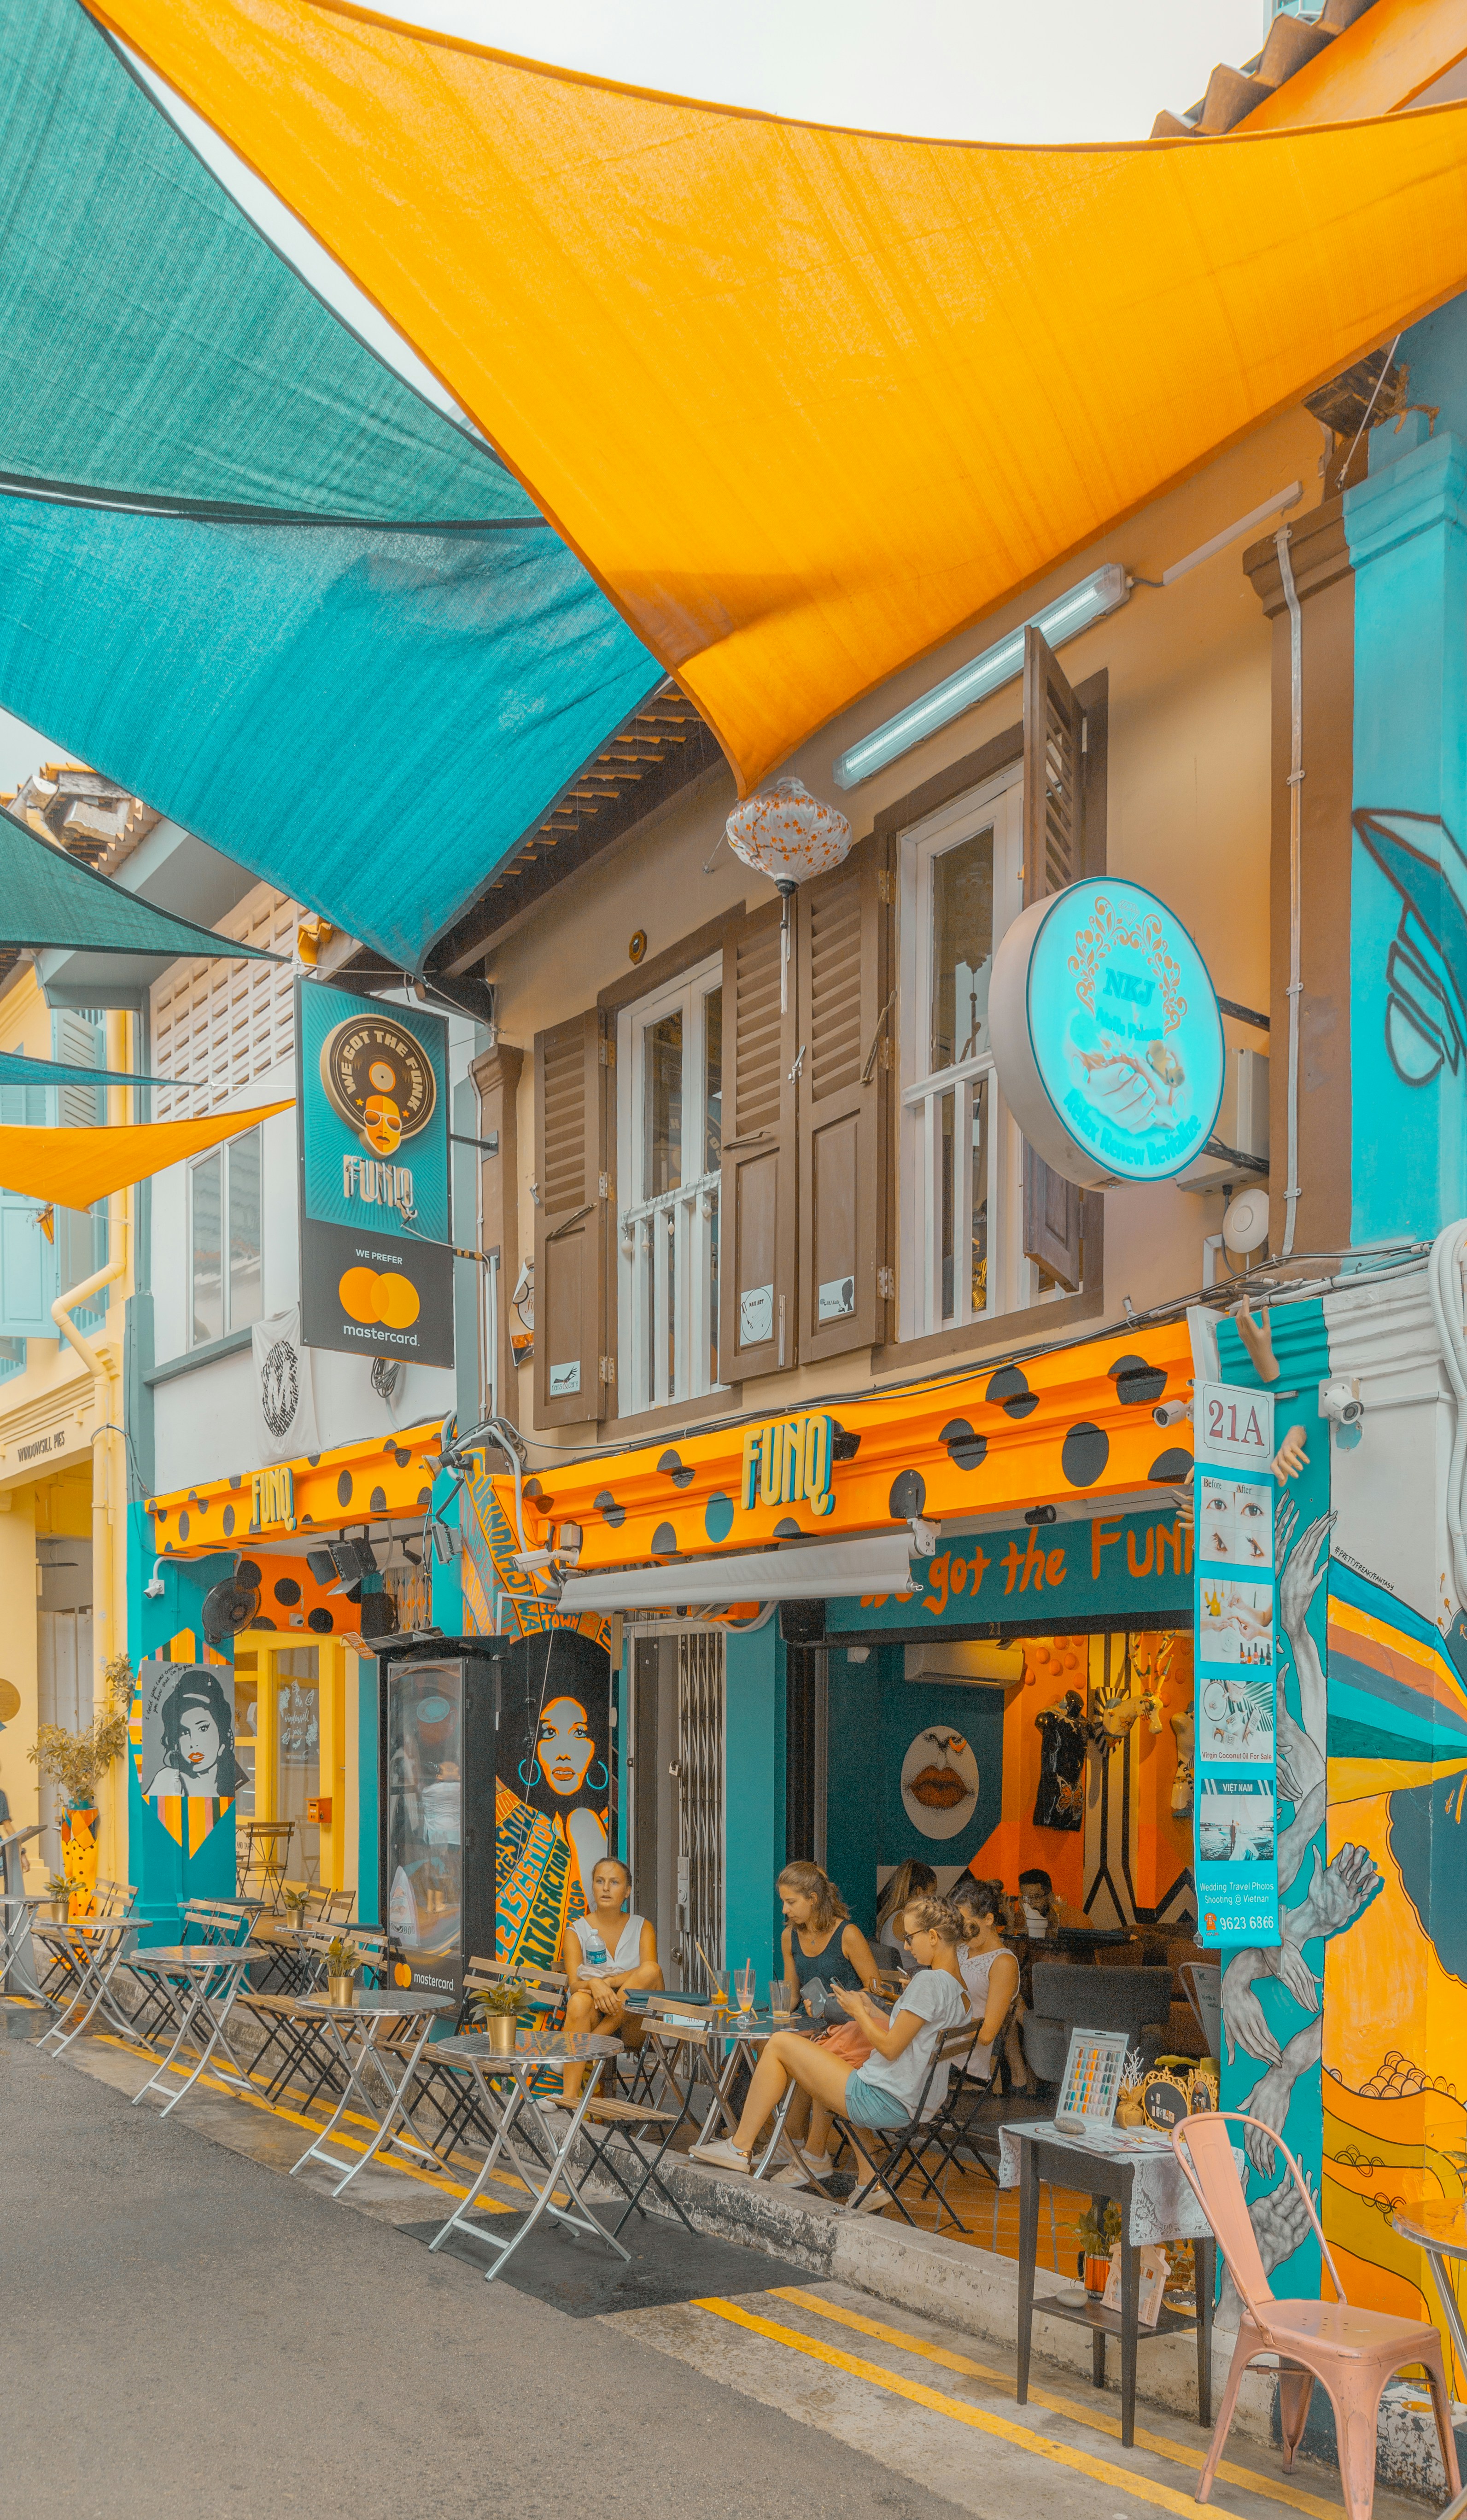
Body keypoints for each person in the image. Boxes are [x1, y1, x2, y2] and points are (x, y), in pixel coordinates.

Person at [690, 1896, 969, 2202]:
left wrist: (858, 2013)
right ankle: (867, 2182)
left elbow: (890, 2049)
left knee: (782, 2043)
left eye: (909, 1937)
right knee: (830, 2057)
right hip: (918, 2100)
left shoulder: (927, 1981)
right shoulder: (959, 1989)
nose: (905, 1947)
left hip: (884, 2099)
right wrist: (869, 2009)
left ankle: (739, 2147)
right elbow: (910, 2033)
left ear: (932, 1936)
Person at [772, 1861, 881, 2180]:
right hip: (814, 2024)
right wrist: (772, 2015)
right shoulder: (789, 1937)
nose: (784, 1910)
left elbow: (876, 1991)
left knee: (810, 2059)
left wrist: (837, 2004)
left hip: (852, 2027)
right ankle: (793, 2145)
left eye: (791, 1902)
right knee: (771, 2047)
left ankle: (808, 2153)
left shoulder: (847, 1934)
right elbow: (792, 1995)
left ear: (813, 1899)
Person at [559, 1855, 662, 2100]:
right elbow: (575, 1985)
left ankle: (589, 2046)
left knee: (651, 1969)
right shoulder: (576, 1931)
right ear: (592, 1886)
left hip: (636, 2024)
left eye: (614, 1883)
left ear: (627, 1892)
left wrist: (608, 1983)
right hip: (595, 2014)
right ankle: (569, 2099)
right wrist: (594, 1984)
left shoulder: (642, 1927)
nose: (606, 1888)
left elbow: (651, 1974)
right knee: (579, 2001)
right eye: (600, 1881)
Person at [951, 1877, 1022, 2083]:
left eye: (966, 1924)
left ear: (989, 1920)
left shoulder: (1003, 1963)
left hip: (962, 2052)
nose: (960, 1931)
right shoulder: (961, 1949)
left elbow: (986, 2035)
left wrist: (946, 2016)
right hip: (941, 2040)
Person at [144, 1668, 249, 1799]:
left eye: (203, 1728)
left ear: (222, 1731)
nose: (193, 1744)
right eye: (184, 1732)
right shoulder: (169, 1779)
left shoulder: (232, 1776)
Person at [874, 1860, 936, 1963]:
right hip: (911, 1975)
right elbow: (934, 1951)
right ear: (919, 1891)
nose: (935, 1897)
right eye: (934, 1890)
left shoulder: (896, 1915)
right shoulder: (906, 1918)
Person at [1015, 1867, 1087, 1939]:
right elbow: (1009, 1949)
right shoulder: (1021, 1918)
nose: (1030, 1904)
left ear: (1051, 1897)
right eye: (1026, 1898)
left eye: (1037, 1897)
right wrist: (1010, 1924)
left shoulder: (1074, 1920)